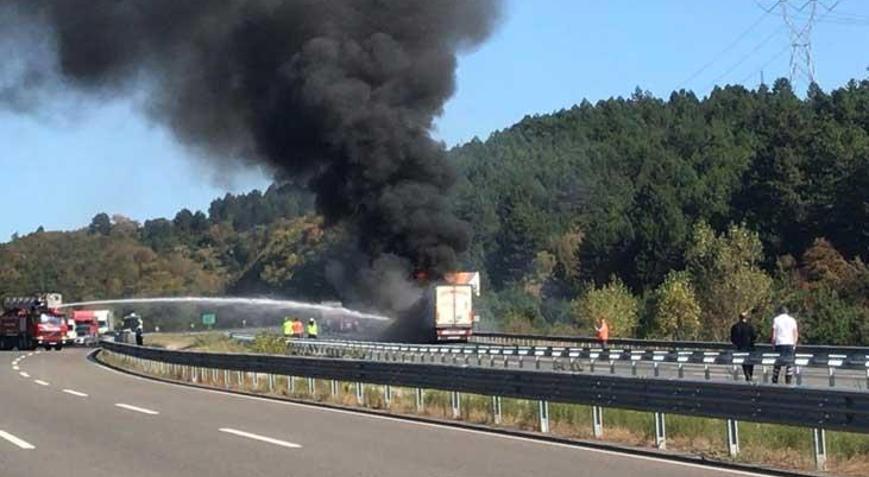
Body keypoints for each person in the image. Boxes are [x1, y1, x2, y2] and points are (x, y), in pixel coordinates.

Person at [771, 305, 798, 384]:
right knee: (789, 363)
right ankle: (788, 380)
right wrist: (794, 344)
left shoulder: (776, 320)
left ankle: (775, 379)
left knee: (777, 363)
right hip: (789, 343)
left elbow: (774, 334)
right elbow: (795, 333)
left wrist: (773, 344)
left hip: (779, 343)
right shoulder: (792, 320)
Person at [730, 311, 757, 381]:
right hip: (750, 347)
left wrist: (737, 344)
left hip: (741, 347)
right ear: (746, 318)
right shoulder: (750, 326)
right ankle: (750, 375)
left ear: (739, 317)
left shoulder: (735, 326)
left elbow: (732, 338)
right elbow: (754, 336)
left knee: (744, 362)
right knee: (750, 362)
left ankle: (747, 374)